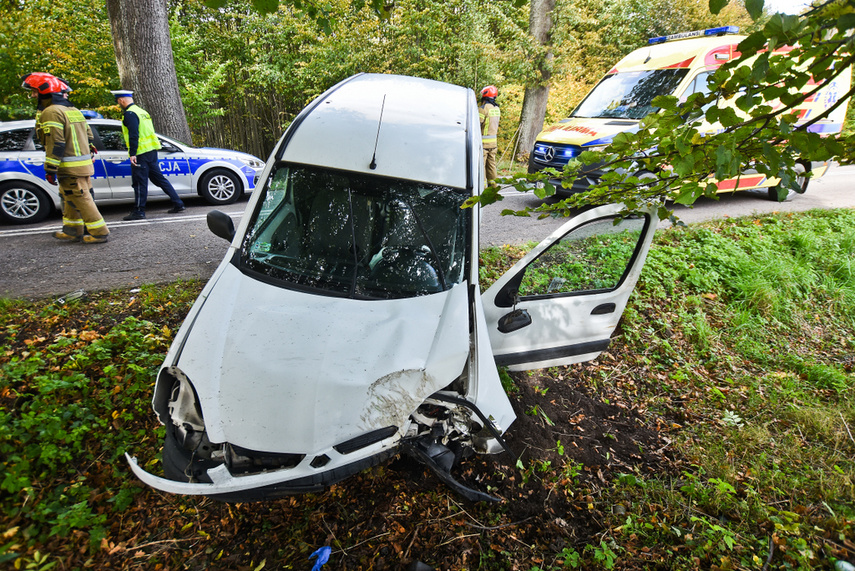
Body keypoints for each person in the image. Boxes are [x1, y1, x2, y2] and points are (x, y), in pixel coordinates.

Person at [22, 72, 110, 244]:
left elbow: (56, 142)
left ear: (45, 92)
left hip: (69, 165)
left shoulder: (52, 112)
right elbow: (89, 135)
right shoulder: (73, 110)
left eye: (34, 91)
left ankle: (99, 232)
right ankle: (72, 230)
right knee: (69, 196)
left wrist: (50, 168)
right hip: (81, 164)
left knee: (81, 198)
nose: (32, 95)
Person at [110, 90, 185, 220]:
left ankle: (139, 211)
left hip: (140, 153)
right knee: (159, 179)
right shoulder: (142, 112)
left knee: (139, 182)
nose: (118, 103)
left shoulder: (130, 114)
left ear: (121, 100)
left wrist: (132, 153)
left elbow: (134, 134)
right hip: (151, 151)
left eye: (118, 101)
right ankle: (178, 203)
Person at [478, 85, 501, 184]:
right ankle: (494, 188)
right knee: (492, 166)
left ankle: (483, 189)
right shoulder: (497, 108)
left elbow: (477, 124)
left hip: (483, 145)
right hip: (494, 144)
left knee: (481, 166)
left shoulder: (483, 109)